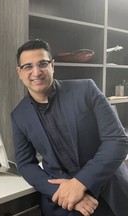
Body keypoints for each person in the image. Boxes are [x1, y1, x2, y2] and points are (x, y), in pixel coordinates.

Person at [11, 39, 128, 216]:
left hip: (108, 193)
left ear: (52, 65)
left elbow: (117, 141)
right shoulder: (18, 115)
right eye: (28, 66)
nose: (36, 72)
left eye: (42, 64)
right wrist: (63, 191)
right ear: (19, 72)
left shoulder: (86, 89)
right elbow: (26, 164)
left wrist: (80, 183)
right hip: (63, 203)